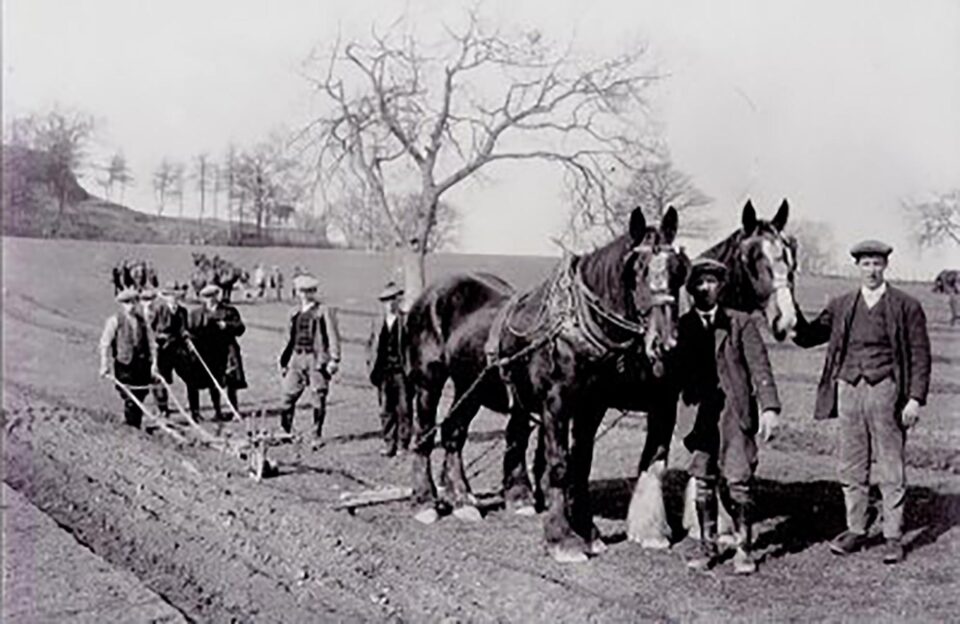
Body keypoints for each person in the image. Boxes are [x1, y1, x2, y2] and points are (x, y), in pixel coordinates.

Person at [793, 240, 931, 564]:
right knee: (851, 463)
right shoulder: (842, 304)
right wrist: (790, 312)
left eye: (877, 263)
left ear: (885, 266)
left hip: (887, 390)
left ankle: (893, 536)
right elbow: (809, 336)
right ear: (857, 267)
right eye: (866, 263)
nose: (871, 269)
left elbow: (920, 355)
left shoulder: (906, 305)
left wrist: (915, 399)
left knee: (890, 462)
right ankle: (856, 528)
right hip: (848, 389)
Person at [673, 258, 781, 574]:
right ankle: (708, 549)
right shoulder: (682, 326)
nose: (706, 287)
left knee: (739, 482)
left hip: (735, 414)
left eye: (712, 282)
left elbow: (761, 367)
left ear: (721, 287)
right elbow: (670, 372)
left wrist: (770, 408)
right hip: (698, 417)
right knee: (703, 481)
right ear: (691, 289)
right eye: (700, 282)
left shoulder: (741, 322)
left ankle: (744, 549)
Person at [278, 274, 341, 438]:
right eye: (302, 291)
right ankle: (285, 432)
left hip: (316, 360)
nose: (306, 294)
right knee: (287, 396)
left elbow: (332, 335)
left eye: (309, 291)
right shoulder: (293, 312)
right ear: (297, 292)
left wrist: (334, 359)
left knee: (318, 396)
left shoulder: (323, 311)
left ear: (314, 291)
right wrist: (284, 361)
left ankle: (316, 434)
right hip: (296, 358)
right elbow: (288, 338)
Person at [186, 284, 247, 421]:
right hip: (206, 352)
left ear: (217, 296)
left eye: (213, 296)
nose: (210, 299)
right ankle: (210, 412)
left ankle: (234, 410)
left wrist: (227, 326)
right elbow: (189, 332)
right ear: (202, 298)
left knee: (230, 381)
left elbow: (241, 329)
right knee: (207, 382)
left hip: (226, 350)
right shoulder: (196, 314)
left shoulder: (229, 311)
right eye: (207, 297)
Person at [366, 281, 413, 457]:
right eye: (386, 300)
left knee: (404, 409)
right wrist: (370, 365)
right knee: (386, 409)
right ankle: (389, 443)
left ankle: (403, 444)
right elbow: (370, 345)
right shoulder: (377, 321)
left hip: (401, 371)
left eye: (393, 299)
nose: (389, 303)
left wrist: (410, 369)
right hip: (383, 371)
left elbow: (412, 346)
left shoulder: (406, 320)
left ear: (398, 300)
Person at [99, 288, 156, 428]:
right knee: (129, 396)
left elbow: (151, 343)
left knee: (141, 394)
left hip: (142, 364)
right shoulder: (114, 320)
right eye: (127, 303)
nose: (130, 306)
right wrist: (104, 364)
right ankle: (131, 426)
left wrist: (154, 364)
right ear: (122, 304)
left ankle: (136, 424)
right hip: (125, 364)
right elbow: (105, 343)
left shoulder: (143, 321)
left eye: (133, 302)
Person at [150, 281, 191, 418]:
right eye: (170, 295)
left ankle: (194, 410)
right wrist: (156, 340)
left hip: (178, 348)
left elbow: (184, 330)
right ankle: (162, 408)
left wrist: (186, 336)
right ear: (166, 297)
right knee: (161, 379)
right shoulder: (158, 310)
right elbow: (150, 329)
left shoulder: (182, 311)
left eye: (175, 296)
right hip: (161, 348)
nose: (173, 298)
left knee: (190, 376)